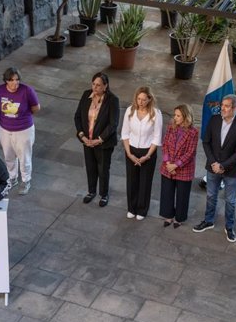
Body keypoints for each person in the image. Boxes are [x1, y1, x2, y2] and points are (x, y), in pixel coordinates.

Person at [192, 94, 236, 242]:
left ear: (235, 108)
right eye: (222, 105)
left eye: (226, 106)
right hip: (212, 167)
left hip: (231, 170)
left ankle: (229, 227)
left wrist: (223, 166)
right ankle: (208, 221)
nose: (222, 108)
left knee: (230, 201)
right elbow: (206, 142)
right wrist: (214, 163)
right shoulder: (214, 119)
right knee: (211, 195)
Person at [74, 72, 120, 207]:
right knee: (90, 166)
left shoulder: (112, 100)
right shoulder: (85, 95)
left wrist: (99, 139)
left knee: (103, 168)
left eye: (99, 85)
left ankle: (104, 194)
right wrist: (82, 136)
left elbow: (113, 124)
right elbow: (77, 117)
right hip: (87, 141)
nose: (95, 87)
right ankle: (91, 191)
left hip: (103, 143)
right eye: (93, 84)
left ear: (105, 86)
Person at [0, 67, 40, 195]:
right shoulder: (0, 90)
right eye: (12, 80)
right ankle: (12, 177)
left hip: (23, 130)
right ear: (6, 81)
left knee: (24, 156)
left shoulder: (27, 91)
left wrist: (24, 116)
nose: (15, 83)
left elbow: (36, 107)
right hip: (4, 129)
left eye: (17, 80)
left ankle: (26, 180)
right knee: (8, 155)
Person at [120, 86, 163, 220]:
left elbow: (157, 137)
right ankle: (131, 208)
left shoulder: (156, 114)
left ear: (149, 99)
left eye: (144, 99)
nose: (140, 102)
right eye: (138, 99)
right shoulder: (129, 111)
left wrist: (147, 156)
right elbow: (125, 133)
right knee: (132, 180)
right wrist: (129, 153)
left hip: (147, 151)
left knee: (145, 182)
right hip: (131, 149)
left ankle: (142, 210)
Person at [159, 104, 198, 228]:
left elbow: (190, 152)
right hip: (168, 166)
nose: (175, 118)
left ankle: (179, 218)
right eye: (175, 115)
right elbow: (165, 144)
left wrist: (176, 165)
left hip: (183, 169)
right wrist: (168, 163)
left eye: (178, 115)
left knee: (182, 195)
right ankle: (168, 216)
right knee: (167, 192)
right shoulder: (171, 127)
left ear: (186, 116)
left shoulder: (193, 132)